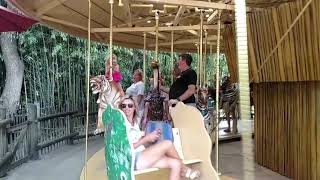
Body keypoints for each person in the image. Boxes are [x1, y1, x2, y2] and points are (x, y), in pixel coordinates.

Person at [119, 96, 201, 180]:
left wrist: (152, 136)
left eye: (130, 105)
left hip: (143, 156)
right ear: (120, 108)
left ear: (134, 108)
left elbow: (139, 142)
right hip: (133, 160)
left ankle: (183, 169)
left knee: (175, 164)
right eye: (123, 106)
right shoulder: (120, 125)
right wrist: (146, 139)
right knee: (167, 143)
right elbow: (125, 148)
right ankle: (185, 170)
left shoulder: (134, 123)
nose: (126, 108)